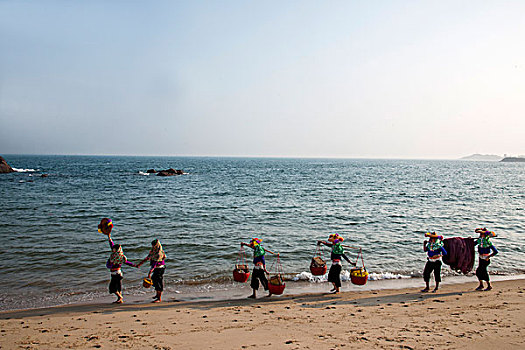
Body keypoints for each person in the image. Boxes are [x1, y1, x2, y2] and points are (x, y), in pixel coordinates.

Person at [106, 233, 137, 303]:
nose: (112, 249)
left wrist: (133, 265)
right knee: (118, 286)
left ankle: (120, 297)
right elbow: (127, 262)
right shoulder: (118, 255)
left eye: (113, 248)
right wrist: (109, 237)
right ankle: (119, 300)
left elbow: (126, 262)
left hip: (116, 273)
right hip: (118, 273)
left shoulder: (118, 256)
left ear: (116, 250)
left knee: (112, 288)